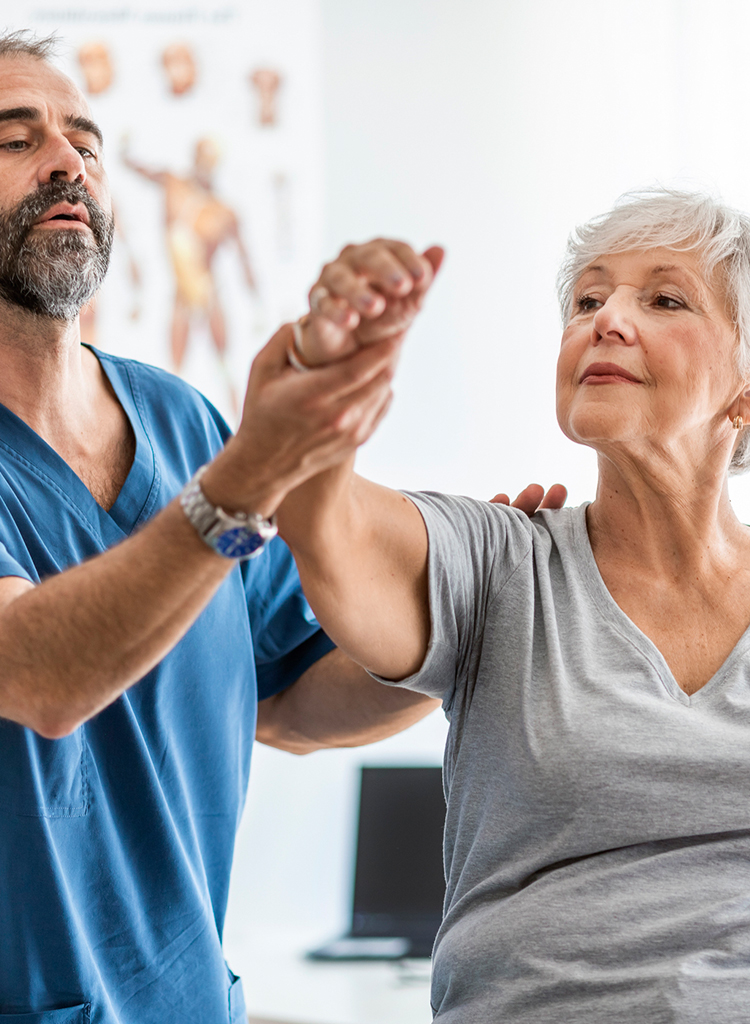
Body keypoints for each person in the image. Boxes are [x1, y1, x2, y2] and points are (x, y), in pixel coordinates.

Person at [0, 30, 558, 1021]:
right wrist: (253, 475)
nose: (67, 162)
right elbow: (38, 674)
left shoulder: (182, 425)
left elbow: (293, 698)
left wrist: (475, 622)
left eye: (84, 139)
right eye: (15, 138)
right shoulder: (227, 463)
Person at [268, 190, 750, 1023]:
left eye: (664, 299)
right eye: (588, 301)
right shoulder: (501, 562)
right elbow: (328, 522)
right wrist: (323, 378)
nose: (606, 321)